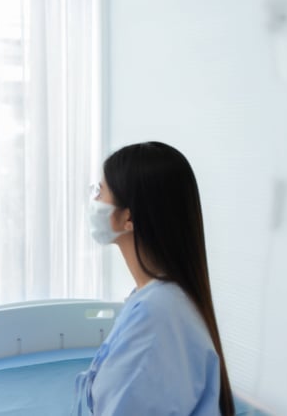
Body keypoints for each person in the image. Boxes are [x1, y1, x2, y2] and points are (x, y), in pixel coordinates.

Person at [74, 142, 235, 415]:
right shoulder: (158, 299)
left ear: (129, 217)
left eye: (100, 191)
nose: (94, 200)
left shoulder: (156, 315)